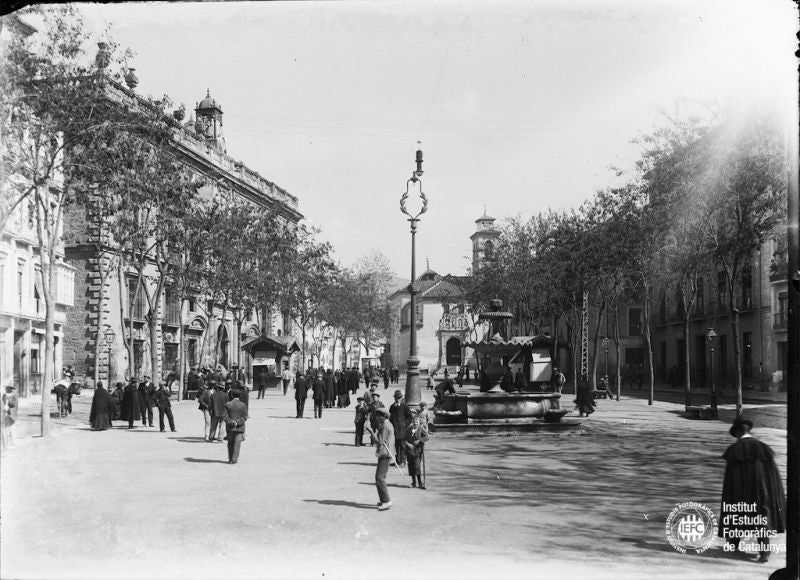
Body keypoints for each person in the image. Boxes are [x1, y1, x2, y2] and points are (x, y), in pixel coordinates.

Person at [719, 417, 786, 563]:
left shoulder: (735, 449)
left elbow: (731, 479)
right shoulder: (763, 447)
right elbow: (773, 475)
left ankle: (733, 543)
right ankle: (764, 553)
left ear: (738, 433)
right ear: (748, 430)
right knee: (762, 517)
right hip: (763, 492)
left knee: (737, 511)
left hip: (742, 490)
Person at [369, 407, 395, 511]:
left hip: (385, 453)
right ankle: (384, 499)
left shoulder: (385, 426)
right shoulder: (387, 424)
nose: (377, 417)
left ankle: (386, 501)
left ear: (384, 416)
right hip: (386, 453)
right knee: (380, 477)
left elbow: (379, 441)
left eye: (379, 415)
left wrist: (371, 432)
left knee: (379, 478)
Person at [389, 390, 414, 467]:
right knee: (396, 445)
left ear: (401, 398)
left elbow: (410, 417)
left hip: (402, 430)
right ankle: (397, 461)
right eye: (396, 398)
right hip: (395, 429)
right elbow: (390, 418)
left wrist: (404, 424)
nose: (398, 399)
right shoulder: (392, 407)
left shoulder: (405, 406)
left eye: (399, 398)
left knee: (402, 445)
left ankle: (403, 462)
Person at [223, 390, 248, 464]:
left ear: (232, 396)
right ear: (239, 396)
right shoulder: (243, 405)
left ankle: (230, 458)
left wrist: (231, 422)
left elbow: (225, 416)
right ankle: (234, 459)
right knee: (237, 443)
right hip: (239, 428)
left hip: (230, 427)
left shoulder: (228, 404)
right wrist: (238, 422)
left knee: (230, 443)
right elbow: (245, 417)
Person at [404, 416, 429, 489]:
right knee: (411, 466)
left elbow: (427, 437)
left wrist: (419, 440)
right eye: (414, 422)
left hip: (418, 451)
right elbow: (404, 439)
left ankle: (420, 483)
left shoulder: (421, 428)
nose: (415, 423)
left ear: (419, 423)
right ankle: (414, 482)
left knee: (417, 466)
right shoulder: (408, 429)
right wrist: (408, 444)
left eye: (417, 422)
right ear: (412, 422)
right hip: (409, 451)